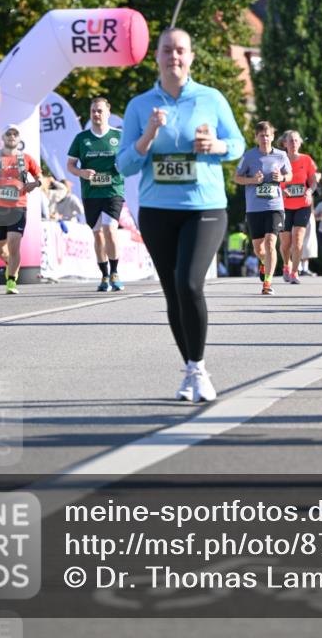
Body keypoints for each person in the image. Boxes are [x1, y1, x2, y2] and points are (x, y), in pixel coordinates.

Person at [117, 27, 244, 402]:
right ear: (156, 56)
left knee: (190, 283)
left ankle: (200, 368)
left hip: (204, 206)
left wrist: (217, 145)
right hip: (157, 211)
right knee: (173, 293)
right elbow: (125, 164)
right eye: (167, 50)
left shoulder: (211, 98)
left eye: (181, 51)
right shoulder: (140, 106)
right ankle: (191, 368)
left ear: (191, 58)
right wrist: (148, 136)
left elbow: (237, 143)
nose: (174, 56)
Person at [0, 125, 43, 293]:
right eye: (8, 134)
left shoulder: (26, 159)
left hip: (18, 207)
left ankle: (11, 281)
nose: (12, 136)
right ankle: (9, 264)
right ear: (3, 138)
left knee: (14, 244)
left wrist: (35, 183)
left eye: (15, 134)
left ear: (19, 139)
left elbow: (40, 177)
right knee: (0, 250)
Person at [67, 97, 125, 291]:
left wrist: (122, 165)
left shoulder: (119, 136)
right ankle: (104, 275)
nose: (96, 114)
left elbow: (129, 159)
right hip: (91, 193)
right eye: (93, 111)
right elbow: (71, 166)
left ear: (108, 113)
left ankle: (115, 272)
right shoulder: (82, 138)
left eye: (100, 111)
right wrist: (81, 173)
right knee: (98, 234)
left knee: (110, 230)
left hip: (113, 190)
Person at [235, 122, 292, 296]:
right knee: (259, 249)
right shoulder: (248, 156)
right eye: (261, 135)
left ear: (273, 137)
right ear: (256, 138)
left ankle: (267, 283)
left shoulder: (281, 155)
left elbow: (289, 175)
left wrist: (281, 177)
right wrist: (253, 180)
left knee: (270, 243)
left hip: (275, 207)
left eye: (268, 135)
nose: (265, 138)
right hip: (254, 208)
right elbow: (237, 178)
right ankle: (264, 262)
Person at [278, 130, 318, 284]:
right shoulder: (280, 160)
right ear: (284, 144)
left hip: (303, 205)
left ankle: (295, 272)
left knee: (298, 239)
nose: (293, 144)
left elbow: (314, 182)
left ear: (300, 142)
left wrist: (309, 190)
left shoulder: (307, 160)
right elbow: (274, 180)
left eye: (296, 140)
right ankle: (286, 266)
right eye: (290, 141)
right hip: (284, 206)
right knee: (286, 242)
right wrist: (282, 189)